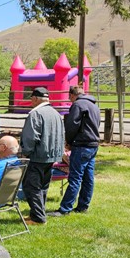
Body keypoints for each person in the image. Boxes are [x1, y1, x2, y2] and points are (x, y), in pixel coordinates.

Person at [49, 86, 101, 216]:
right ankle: (83, 206)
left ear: (72, 95)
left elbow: (72, 125)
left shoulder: (78, 105)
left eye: (70, 98)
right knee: (88, 177)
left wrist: (69, 142)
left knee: (75, 177)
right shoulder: (94, 105)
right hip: (93, 144)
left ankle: (65, 208)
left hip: (81, 144)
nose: (70, 100)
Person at [20, 87, 65, 225]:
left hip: (37, 156)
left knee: (31, 187)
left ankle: (38, 218)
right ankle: (37, 213)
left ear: (35, 98)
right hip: (52, 156)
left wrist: (25, 152)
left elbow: (30, 137)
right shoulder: (56, 113)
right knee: (43, 186)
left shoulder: (35, 113)